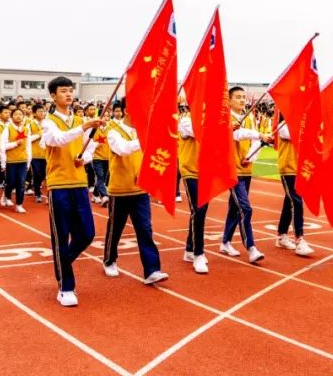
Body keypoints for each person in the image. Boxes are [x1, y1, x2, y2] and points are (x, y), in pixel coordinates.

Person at [41, 76, 105, 307]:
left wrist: (84, 158)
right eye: (63, 91)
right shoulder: (48, 122)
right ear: (53, 96)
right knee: (61, 235)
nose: (68, 94)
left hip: (79, 183)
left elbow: (90, 148)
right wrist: (85, 126)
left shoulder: (79, 120)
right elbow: (57, 140)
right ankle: (66, 286)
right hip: (58, 184)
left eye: (70, 91)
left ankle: (62, 260)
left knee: (87, 233)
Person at [93, 99, 168, 285]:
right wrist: (146, 138)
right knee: (115, 227)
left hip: (140, 189)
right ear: (127, 111)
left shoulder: (142, 131)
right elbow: (123, 149)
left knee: (145, 228)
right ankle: (109, 259)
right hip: (119, 190)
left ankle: (152, 269)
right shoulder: (112, 130)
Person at [220, 87, 273, 263]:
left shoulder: (249, 117)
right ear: (229, 100)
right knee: (245, 208)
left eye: (244, 97)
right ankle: (251, 247)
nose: (242, 100)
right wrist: (259, 135)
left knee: (235, 208)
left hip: (245, 168)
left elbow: (255, 141)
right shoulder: (226, 118)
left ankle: (225, 242)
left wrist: (250, 156)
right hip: (231, 170)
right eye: (238, 97)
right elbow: (237, 134)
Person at [177, 104, 210, 273]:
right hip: (190, 170)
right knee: (198, 209)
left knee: (201, 211)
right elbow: (201, 132)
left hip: (206, 171)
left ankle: (189, 249)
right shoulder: (186, 120)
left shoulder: (210, 120)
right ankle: (198, 253)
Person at [274, 121, 314, 257]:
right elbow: (288, 134)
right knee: (296, 201)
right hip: (288, 166)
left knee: (289, 200)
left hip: (299, 166)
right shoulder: (284, 124)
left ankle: (281, 234)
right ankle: (299, 239)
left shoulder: (302, 122)